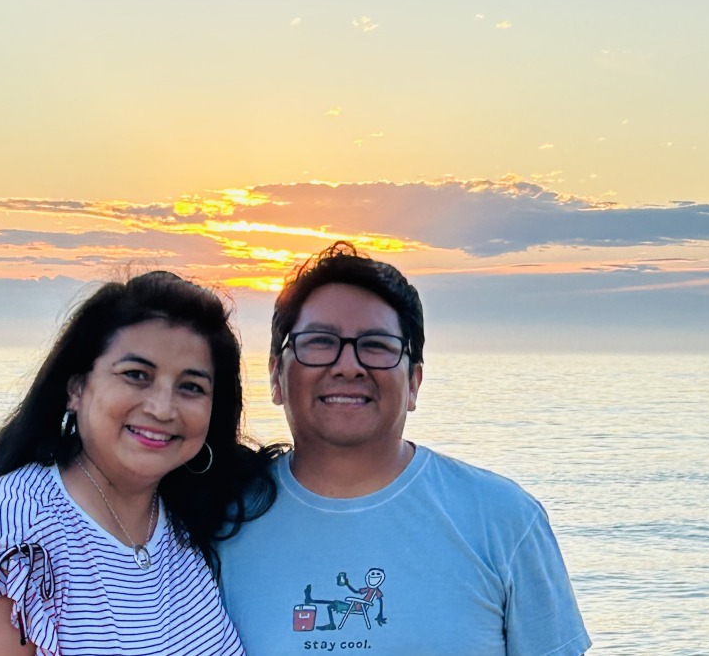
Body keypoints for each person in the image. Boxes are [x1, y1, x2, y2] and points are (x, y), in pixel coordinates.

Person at [0, 271, 274, 656]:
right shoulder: (18, 526)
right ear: (76, 387)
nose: (163, 408)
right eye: (136, 375)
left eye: (191, 386)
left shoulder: (184, 524)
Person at [216, 242, 591, 655]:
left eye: (376, 345)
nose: (347, 365)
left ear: (413, 381)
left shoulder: (504, 519)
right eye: (320, 342)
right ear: (275, 375)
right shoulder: (217, 525)